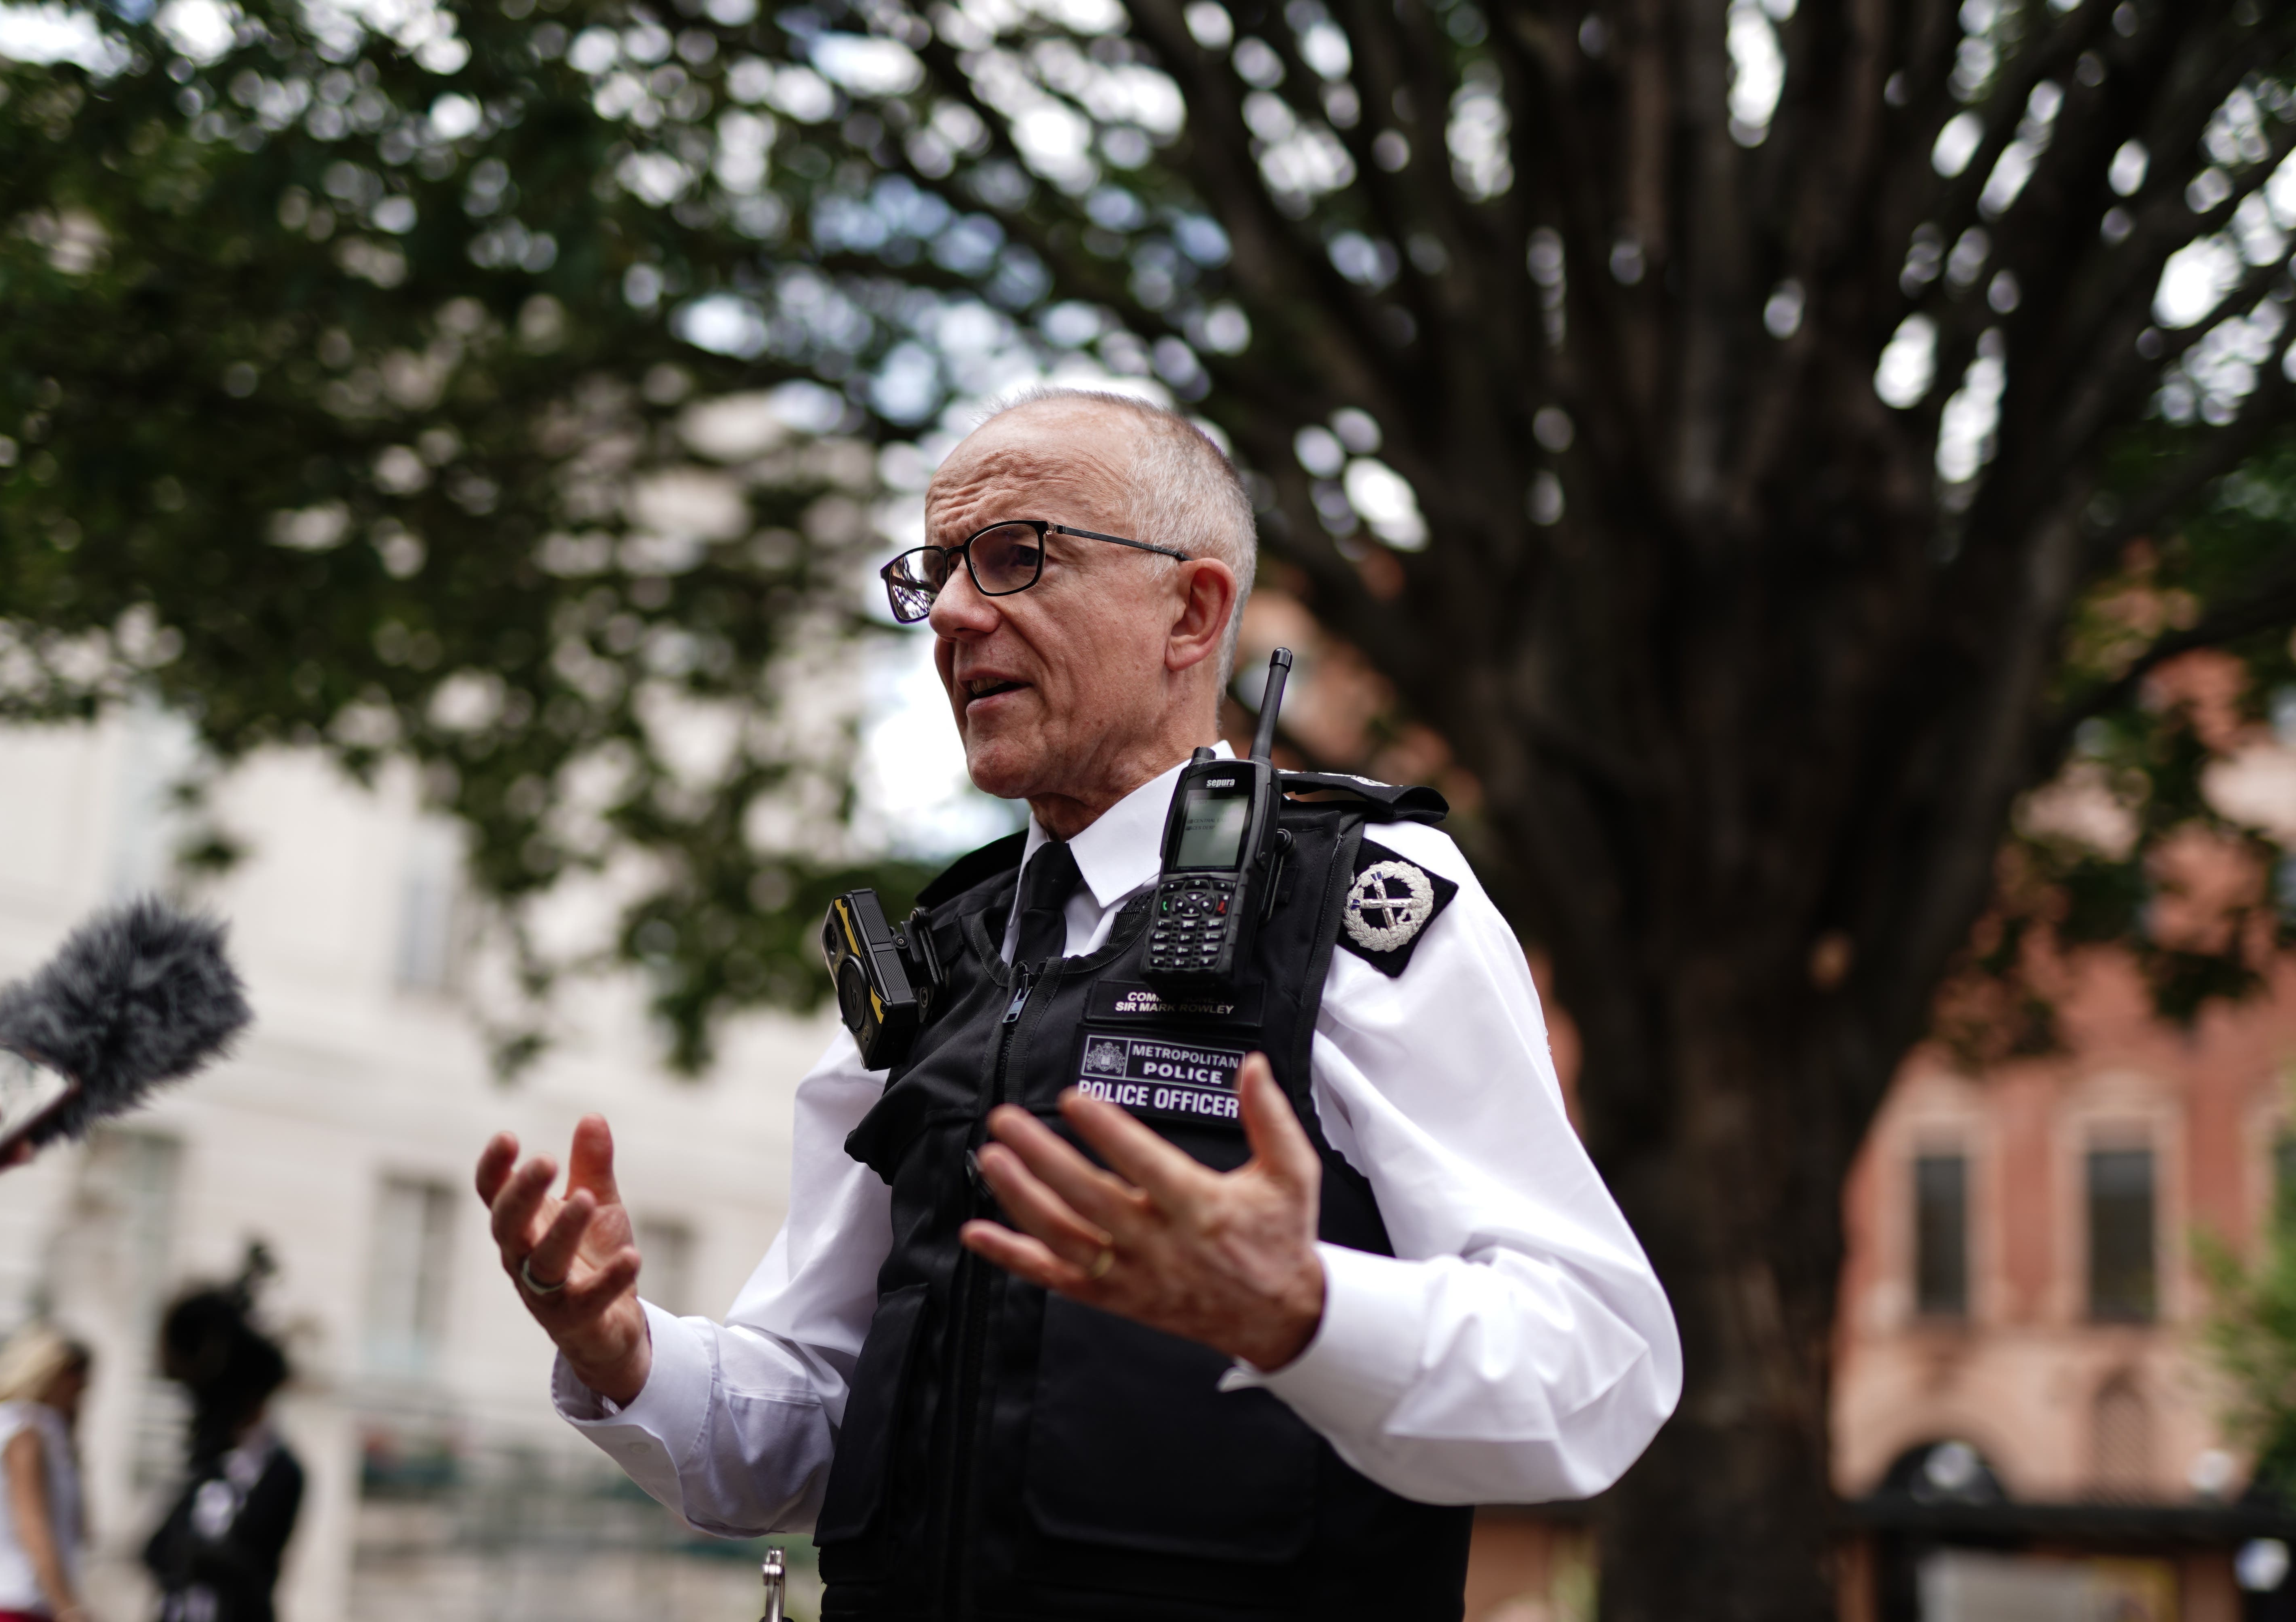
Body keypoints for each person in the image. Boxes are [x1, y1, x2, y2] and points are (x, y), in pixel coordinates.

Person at [476, 387, 1682, 1619]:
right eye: (935, 573)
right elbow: (818, 1420)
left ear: (1190, 610)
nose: (949, 612)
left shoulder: (1358, 903)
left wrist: (1300, 1309)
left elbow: (1592, 1364)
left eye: (1012, 557)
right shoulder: (930, 962)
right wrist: (624, 1352)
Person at [142, 1251, 305, 1622]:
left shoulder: (283, 1470)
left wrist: (205, 1555)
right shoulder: (212, 1463)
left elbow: (258, 1564)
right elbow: (155, 1547)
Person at [0, 1324, 92, 1622]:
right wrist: (68, 1607)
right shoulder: (27, 1436)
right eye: (79, 1387)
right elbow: (32, 1525)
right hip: (18, 1608)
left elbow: (82, 1530)